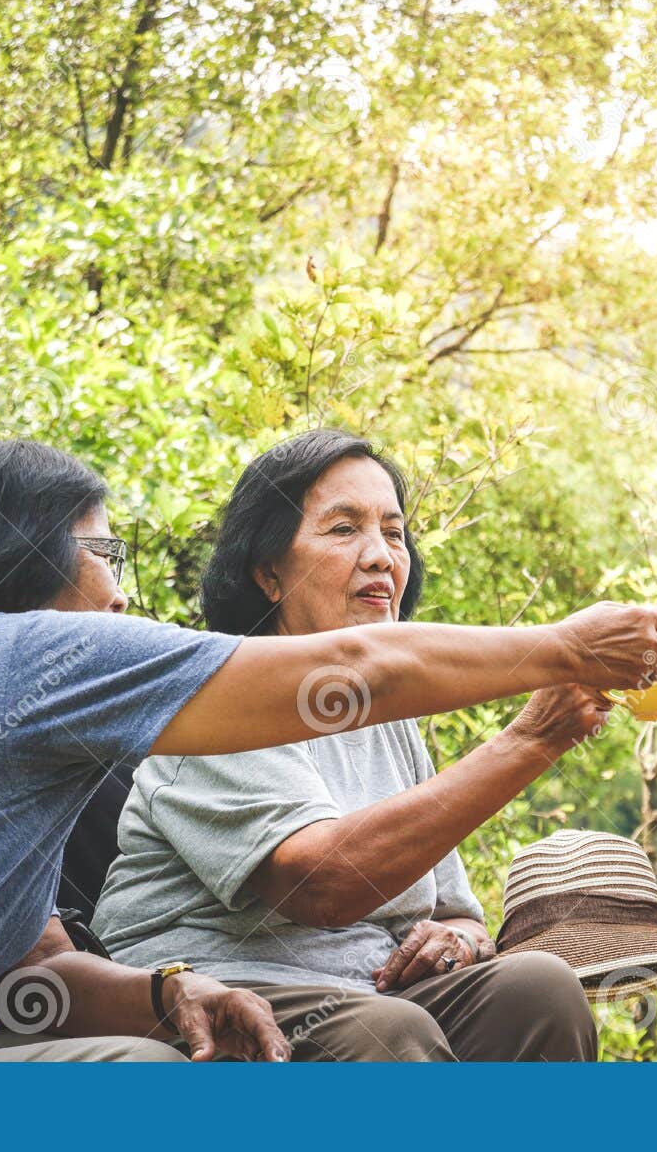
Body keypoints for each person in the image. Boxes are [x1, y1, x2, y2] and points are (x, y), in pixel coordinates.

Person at [0, 438, 657, 1062]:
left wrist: (166, 990)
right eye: (104, 554)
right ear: (17, 561)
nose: (122, 592)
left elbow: (28, 972)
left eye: (394, 528)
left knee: (522, 988)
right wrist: (561, 648)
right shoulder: (10, 649)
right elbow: (363, 673)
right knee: (144, 1079)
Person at [88, 430, 604, 1061]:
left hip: (372, 987)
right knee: (386, 1032)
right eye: (343, 530)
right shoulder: (222, 693)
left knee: (540, 988)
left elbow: (456, 911)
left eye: (394, 532)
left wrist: (457, 939)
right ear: (268, 573)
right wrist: (533, 739)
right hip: (216, 986)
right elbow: (324, 884)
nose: (382, 556)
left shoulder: (390, 717)